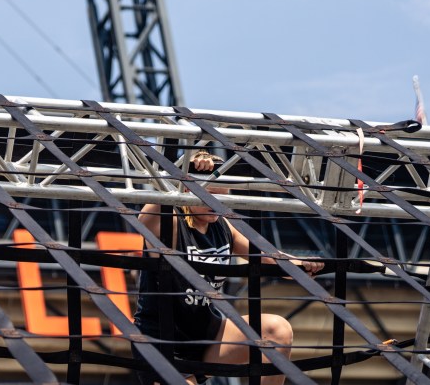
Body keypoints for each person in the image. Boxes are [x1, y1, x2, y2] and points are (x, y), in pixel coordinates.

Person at [134, 151, 323, 385]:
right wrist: (179, 172)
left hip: (207, 335)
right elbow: (144, 219)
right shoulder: (172, 222)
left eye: (223, 196)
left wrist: (300, 266)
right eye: (209, 195)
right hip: (164, 342)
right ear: (186, 191)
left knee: (277, 329)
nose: (216, 204)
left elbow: (267, 258)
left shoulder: (223, 227)